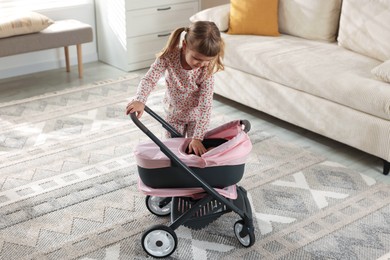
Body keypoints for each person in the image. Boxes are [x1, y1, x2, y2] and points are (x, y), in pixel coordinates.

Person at [126, 21, 224, 156]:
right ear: (184, 46)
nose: (201, 64)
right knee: (171, 151)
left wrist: (197, 138)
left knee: (194, 151)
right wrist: (140, 100)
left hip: (196, 118)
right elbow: (150, 79)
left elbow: (205, 106)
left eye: (207, 60)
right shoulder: (169, 56)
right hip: (173, 115)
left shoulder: (206, 71)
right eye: (196, 58)